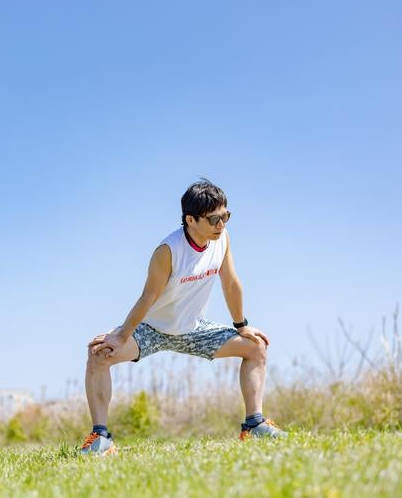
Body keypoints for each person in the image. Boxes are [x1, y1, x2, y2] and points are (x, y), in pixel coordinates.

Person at [81, 179, 287, 455]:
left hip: (193, 329)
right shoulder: (168, 251)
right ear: (191, 220)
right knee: (99, 355)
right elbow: (148, 298)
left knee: (256, 347)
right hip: (152, 329)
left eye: (226, 216)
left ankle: (254, 426)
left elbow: (230, 283)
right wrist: (121, 336)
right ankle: (100, 438)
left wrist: (241, 326)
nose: (221, 224)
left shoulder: (222, 240)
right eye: (214, 219)